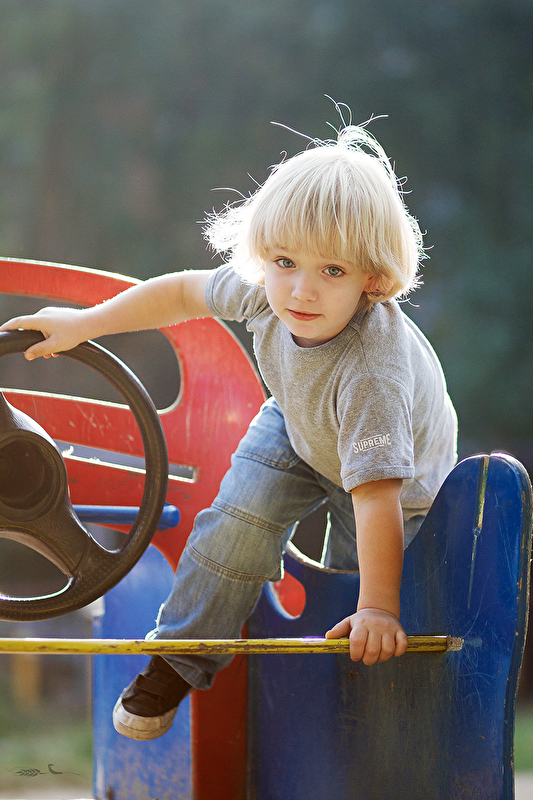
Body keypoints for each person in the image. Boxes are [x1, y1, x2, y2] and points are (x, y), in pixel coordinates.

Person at [0, 120, 457, 741]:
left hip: (393, 484)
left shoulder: (372, 373)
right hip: (298, 425)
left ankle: (360, 724)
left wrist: (377, 606)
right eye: (285, 262)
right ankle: (177, 659)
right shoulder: (268, 292)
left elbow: (375, 497)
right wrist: (86, 324)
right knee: (235, 523)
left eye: (332, 271)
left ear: (371, 279)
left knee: (357, 610)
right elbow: (182, 293)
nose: (300, 290)